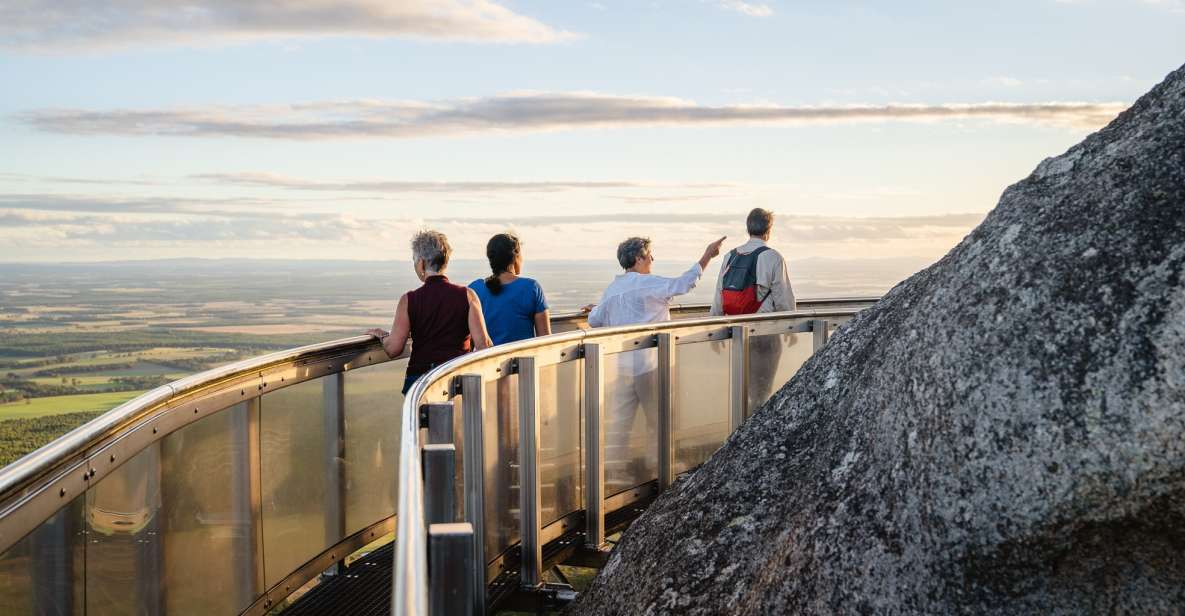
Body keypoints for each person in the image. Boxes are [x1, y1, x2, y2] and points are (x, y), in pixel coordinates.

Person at [583, 235, 727, 491]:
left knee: (621, 422)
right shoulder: (646, 284)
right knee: (658, 418)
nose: (652, 259)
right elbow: (684, 284)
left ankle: (613, 478)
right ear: (638, 259)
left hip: (622, 366)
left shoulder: (612, 290)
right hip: (648, 365)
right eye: (649, 255)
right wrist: (707, 255)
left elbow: (595, 320)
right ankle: (660, 469)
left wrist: (599, 308)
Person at [367, 230, 493, 395]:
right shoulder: (467, 295)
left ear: (421, 263)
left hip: (420, 383)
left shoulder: (409, 300)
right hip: (457, 380)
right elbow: (484, 344)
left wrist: (382, 336)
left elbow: (393, 348)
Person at [710, 208, 796, 411]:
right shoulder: (773, 257)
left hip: (737, 333)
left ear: (748, 228)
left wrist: (713, 327)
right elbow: (783, 298)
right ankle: (754, 434)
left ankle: (741, 431)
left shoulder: (730, 256)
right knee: (762, 392)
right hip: (764, 333)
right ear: (769, 230)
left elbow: (719, 295)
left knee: (743, 389)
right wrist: (791, 327)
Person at [468, 233, 551, 345]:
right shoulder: (531, 288)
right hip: (524, 361)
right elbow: (545, 340)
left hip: (488, 360)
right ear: (516, 256)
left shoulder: (474, 289)